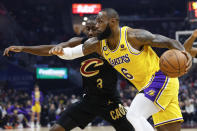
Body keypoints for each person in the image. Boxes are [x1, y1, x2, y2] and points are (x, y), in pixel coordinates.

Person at [49, 8, 192, 131]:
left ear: (112, 22)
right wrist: (61, 52)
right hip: (151, 88)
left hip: (161, 78)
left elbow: (169, 42)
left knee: (133, 115)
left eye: (100, 22)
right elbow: (73, 53)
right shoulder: (98, 44)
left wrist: (185, 54)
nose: (96, 26)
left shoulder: (133, 36)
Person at [3, 17, 134, 131]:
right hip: (88, 101)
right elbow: (51, 49)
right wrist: (23, 48)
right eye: (87, 29)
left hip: (110, 101)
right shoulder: (81, 43)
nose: (90, 32)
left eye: (93, 29)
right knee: (56, 129)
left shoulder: (111, 44)